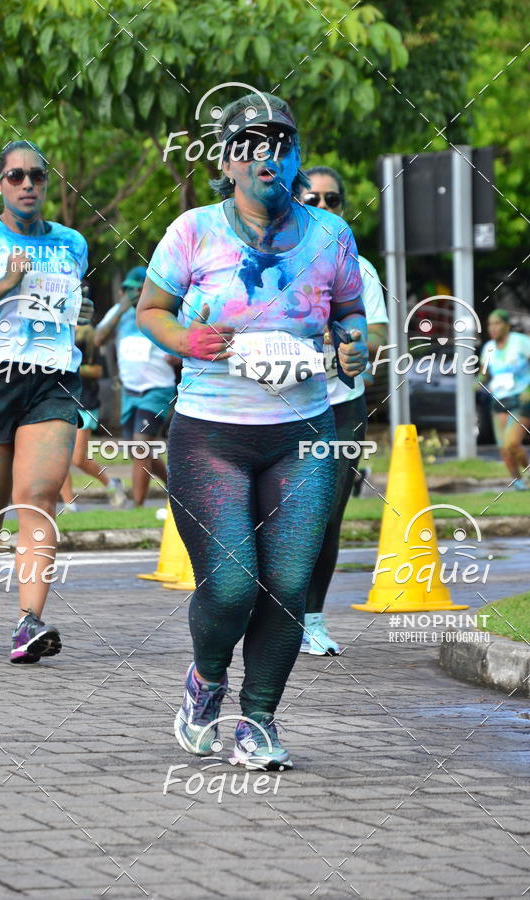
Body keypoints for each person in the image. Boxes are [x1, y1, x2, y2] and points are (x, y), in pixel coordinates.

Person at [137, 93, 367, 769]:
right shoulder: (193, 231)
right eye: (252, 144)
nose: (270, 155)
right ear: (229, 161)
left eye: (283, 142)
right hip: (212, 433)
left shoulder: (331, 237)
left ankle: (258, 719)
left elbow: (351, 315)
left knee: (290, 583)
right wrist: (189, 338)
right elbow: (152, 309)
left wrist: (352, 346)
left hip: (302, 431)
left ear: (296, 156)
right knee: (233, 583)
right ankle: (207, 682)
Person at [0, 139, 92, 663]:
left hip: (51, 379)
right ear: (0, 184)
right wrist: (7, 281)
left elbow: (71, 308)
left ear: (47, 183)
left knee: (37, 497)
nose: (28, 184)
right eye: (16, 176)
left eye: (37, 176)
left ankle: (29, 622)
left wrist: (79, 310)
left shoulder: (72, 242)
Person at [300, 167, 388, 655]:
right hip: (281, 405)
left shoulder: (359, 267)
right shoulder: (270, 260)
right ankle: (267, 611)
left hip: (341, 405)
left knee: (326, 515)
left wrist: (356, 344)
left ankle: (310, 618)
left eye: (332, 200)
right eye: (312, 197)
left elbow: (377, 329)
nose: (323, 207)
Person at [94, 266, 176, 506]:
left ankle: (136, 505)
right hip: (129, 391)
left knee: (141, 445)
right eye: (128, 289)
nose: (132, 293)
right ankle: (181, 490)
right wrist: (121, 308)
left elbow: (183, 342)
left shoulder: (164, 312)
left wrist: (176, 356)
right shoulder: (117, 314)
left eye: (138, 289)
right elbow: (98, 338)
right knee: (141, 451)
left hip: (157, 389)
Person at [59, 285, 126, 512]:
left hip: (85, 401)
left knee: (78, 458)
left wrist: (69, 368)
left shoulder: (88, 333)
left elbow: (97, 371)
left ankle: (112, 483)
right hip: (60, 400)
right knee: (58, 457)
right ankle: (69, 505)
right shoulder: (57, 330)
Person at [480, 309, 530, 490]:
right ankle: (519, 484)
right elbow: (483, 373)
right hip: (499, 401)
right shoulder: (488, 348)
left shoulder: (520, 342)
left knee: (512, 443)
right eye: (490, 324)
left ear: (507, 325)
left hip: (522, 399)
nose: (492, 328)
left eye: (497, 323)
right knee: (504, 449)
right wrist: (478, 381)